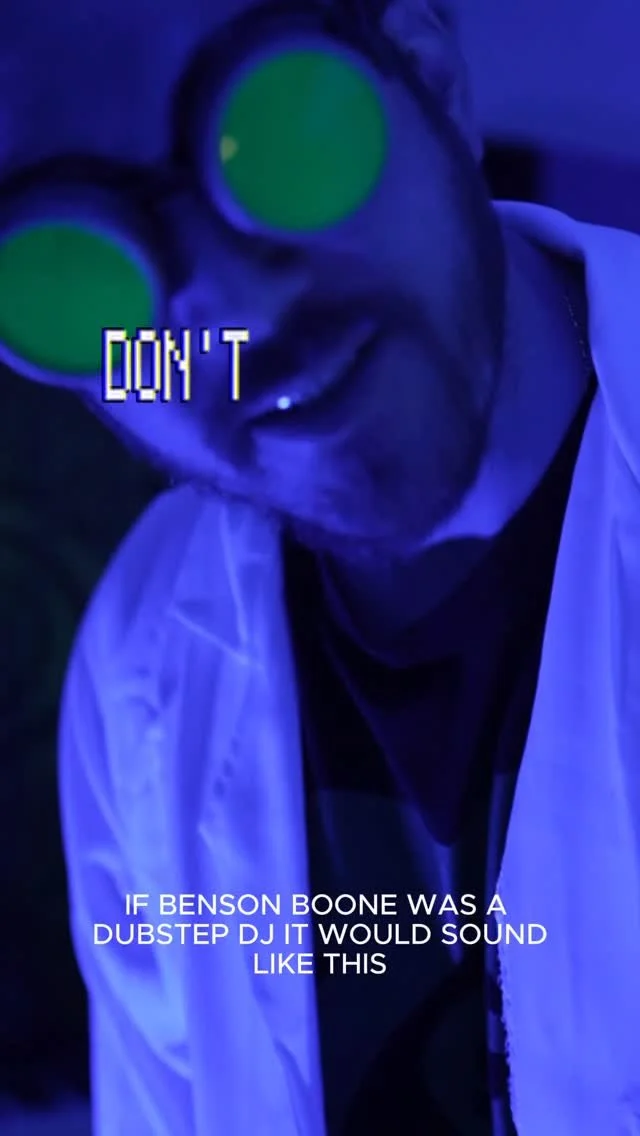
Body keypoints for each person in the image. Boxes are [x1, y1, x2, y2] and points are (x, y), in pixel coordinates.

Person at [1, 0, 639, 1132]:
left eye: (284, 143)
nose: (238, 318)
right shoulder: (142, 647)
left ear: (431, 79)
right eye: (80, 274)